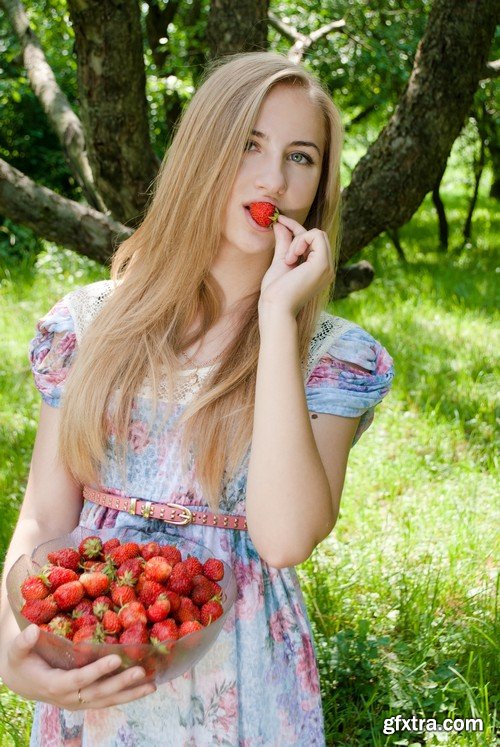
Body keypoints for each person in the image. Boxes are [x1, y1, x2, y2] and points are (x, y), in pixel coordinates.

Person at [0, 50, 395, 746]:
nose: (274, 177)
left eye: (301, 157)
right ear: (202, 149)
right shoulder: (88, 324)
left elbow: (284, 535)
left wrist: (277, 319)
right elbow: (42, 521)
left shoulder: (333, 357)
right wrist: (12, 649)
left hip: (241, 681)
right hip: (92, 663)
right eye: (249, 143)